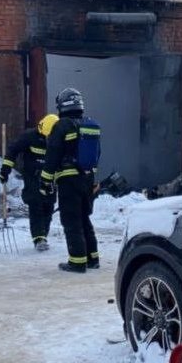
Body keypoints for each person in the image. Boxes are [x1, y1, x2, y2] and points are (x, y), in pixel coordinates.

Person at [40, 87, 101, 273]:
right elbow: (97, 154)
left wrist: (45, 181)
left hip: (69, 180)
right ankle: (92, 258)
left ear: (62, 105)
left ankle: (77, 262)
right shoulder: (89, 124)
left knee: (71, 220)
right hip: (87, 178)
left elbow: (53, 155)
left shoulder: (62, 125)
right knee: (84, 218)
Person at [0, 113, 59, 251]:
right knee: (35, 204)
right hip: (33, 177)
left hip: (50, 178)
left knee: (48, 206)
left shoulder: (58, 138)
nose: (47, 139)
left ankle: (43, 235)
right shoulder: (29, 136)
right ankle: (39, 238)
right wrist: (5, 170)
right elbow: (13, 151)